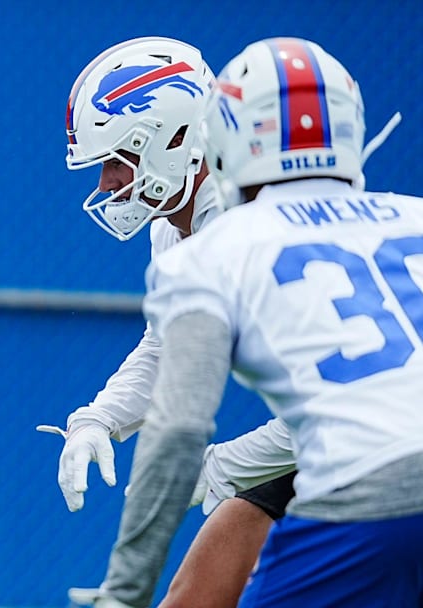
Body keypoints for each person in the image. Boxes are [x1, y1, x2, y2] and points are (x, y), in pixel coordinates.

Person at [86, 37, 423, 607]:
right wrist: (99, 416)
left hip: (369, 495)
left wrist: (125, 590)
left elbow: (179, 429)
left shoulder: (221, 245)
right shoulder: (412, 216)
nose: (106, 182)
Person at [36, 37, 296, 607]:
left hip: (381, 447)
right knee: (193, 594)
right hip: (346, 440)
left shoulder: (252, 226)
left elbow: (340, 406)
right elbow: (168, 348)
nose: (105, 183)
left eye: (115, 160)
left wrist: (219, 466)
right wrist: (97, 419)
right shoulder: (179, 222)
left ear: (174, 141)